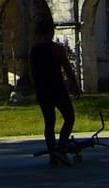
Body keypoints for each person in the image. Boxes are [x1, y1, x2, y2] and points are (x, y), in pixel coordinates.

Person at [29, 19, 79, 167]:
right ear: (51, 32)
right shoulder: (56, 48)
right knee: (69, 117)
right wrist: (74, 85)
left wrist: (37, 87)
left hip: (42, 90)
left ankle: (53, 154)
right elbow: (67, 69)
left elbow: (32, 73)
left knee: (49, 123)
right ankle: (61, 147)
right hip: (57, 88)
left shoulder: (34, 50)